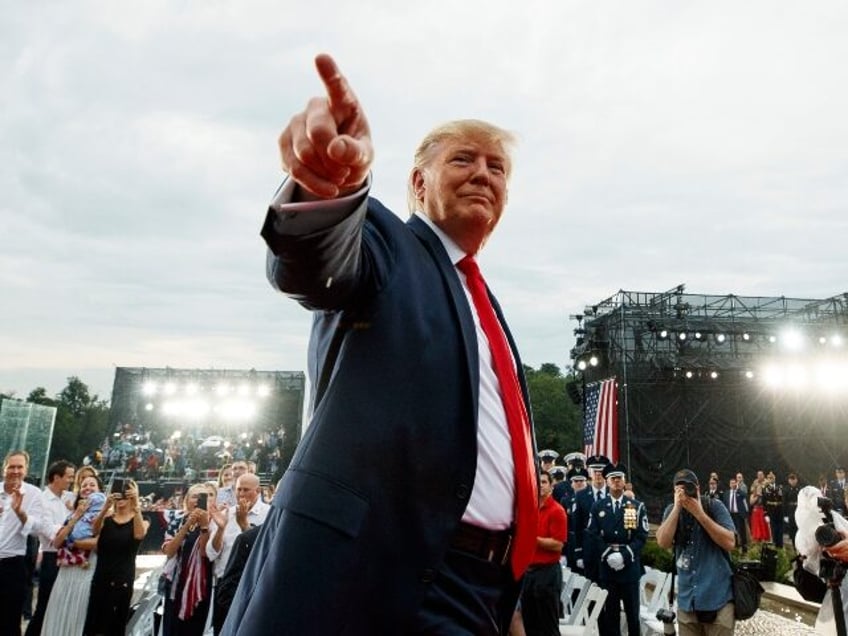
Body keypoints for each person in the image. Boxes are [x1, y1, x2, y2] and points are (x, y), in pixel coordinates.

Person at [223, 53, 538, 636]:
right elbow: (313, 263)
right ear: (418, 183)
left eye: (498, 167)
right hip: (374, 576)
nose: (484, 174)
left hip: (482, 591)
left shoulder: (488, 309)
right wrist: (325, 190)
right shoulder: (388, 244)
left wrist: (514, 557)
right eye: (463, 159)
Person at [656, 469, 736, 636]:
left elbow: (730, 542)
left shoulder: (714, 506)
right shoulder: (672, 510)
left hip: (718, 600)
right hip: (687, 602)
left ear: (698, 488)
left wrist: (700, 514)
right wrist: (677, 507)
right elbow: (662, 542)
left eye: (689, 487)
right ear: (674, 491)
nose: (685, 491)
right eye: (680, 488)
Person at [585, 462, 647, 636]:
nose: (616, 481)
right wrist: (608, 554)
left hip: (629, 568)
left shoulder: (635, 506)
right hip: (607, 568)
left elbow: (641, 536)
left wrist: (624, 556)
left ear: (624, 481)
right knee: (610, 615)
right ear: (607, 481)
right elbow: (593, 534)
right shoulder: (598, 507)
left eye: (619, 478)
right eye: (613, 478)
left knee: (632, 615)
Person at [84, 479, 149, 636]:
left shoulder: (141, 518)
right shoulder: (107, 518)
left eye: (126, 494)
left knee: (114, 625)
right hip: (101, 577)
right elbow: (94, 531)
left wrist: (136, 505)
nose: (122, 499)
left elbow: (139, 534)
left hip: (122, 579)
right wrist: (106, 505)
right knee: (95, 623)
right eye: (119, 494)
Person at [207, 474, 270, 634]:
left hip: (254, 586)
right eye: (238, 489)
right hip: (226, 585)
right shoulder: (225, 513)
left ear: (258, 491)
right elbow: (212, 554)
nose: (241, 494)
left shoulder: (269, 515)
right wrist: (220, 528)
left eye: (246, 490)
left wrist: (244, 526)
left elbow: (264, 552)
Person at [42, 473, 103, 636]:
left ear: (100, 491)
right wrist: (76, 517)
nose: (87, 488)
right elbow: (56, 542)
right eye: (84, 485)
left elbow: (101, 543)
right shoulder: (71, 514)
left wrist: (72, 542)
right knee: (60, 612)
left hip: (87, 570)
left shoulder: (105, 514)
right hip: (65, 572)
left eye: (92, 485)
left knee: (79, 614)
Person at [25, 460, 75, 636]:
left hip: (70, 559)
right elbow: (49, 532)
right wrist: (72, 527)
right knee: (44, 607)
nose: (71, 480)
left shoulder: (69, 498)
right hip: (51, 558)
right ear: (56, 477)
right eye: (68, 477)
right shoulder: (42, 500)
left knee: (62, 608)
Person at [0, 450, 45, 636]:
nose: (16, 471)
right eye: (12, 466)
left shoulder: (34, 494)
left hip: (12, 566)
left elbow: (37, 529)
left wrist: (20, 512)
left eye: (20, 467)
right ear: (4, 469)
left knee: (9, 622)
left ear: (26, 470)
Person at [161, 483, 214, 636]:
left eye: (204, 497)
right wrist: (187, 525)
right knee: (173, 628)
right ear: (186, 500)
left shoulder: (215, 523)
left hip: (202, 586)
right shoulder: (177, 520)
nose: (199, 500)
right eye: (195, 496)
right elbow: (169, 551)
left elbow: (206, 554)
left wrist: (204, 527)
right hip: (176, 584)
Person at [520, 471, 567, 636]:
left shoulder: (556, 511)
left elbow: (557, 544)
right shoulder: (530, 509)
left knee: (548, 625)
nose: (541, 485)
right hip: (529, 572)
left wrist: (533, 539)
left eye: (544, 482)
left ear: (551, 486)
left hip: (547, 573)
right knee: (529, 622)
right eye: (538, 482)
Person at [573, 455, 609, 580]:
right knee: (591, 590)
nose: (598, 474)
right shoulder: (581, 496)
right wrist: (579, 553)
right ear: (589, 472)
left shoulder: (613, 493)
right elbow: (577, 526)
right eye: (595, 471)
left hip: (610, 549)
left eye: (601, 471)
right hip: (590, 551)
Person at [722, 477, 749, 554]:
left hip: (739, 514)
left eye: (734, 483)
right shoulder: (726, 493)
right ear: (729, 484)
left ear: (736, 483)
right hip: (730, 515)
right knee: (733, 531)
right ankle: (735, 547)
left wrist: (738, 489)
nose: (733, 484)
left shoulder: (739, 492)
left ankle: (744, 549)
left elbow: (745, 495)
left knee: (742, 531)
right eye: (731, 483)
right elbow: (725, 503)